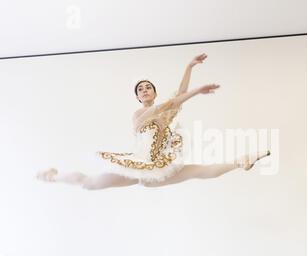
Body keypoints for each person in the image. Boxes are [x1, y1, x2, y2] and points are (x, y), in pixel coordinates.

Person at [36, 53, 270, 190]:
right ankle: (52, 176)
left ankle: (241, 162)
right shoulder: (139, 115)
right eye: (141, 89)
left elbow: (177, 96)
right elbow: (172, 102)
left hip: (160, 167)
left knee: (202, 171)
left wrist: (189, 67)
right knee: (89, 183)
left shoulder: (166, 112)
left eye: (149, 87)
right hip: (137, 165)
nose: (145, 89)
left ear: (154, 93)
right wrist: (196, 91)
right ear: (138, 97)